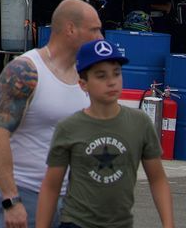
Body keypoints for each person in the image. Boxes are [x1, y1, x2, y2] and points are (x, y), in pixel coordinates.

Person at [0, 0, 103, 228]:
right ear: (70, 29)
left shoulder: (84, 76)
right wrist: (11, 200)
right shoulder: (26, 70)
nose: (100, 37)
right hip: (27, 195)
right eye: (94, 30)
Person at [34, 39, 172, 228]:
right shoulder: (69, 127)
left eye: (116, 74)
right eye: (101, 76)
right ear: (83, 84)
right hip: (76, 223)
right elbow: (51, 186)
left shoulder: (140, 123)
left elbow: (157, 179)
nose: (111, 81)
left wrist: (168, 223)